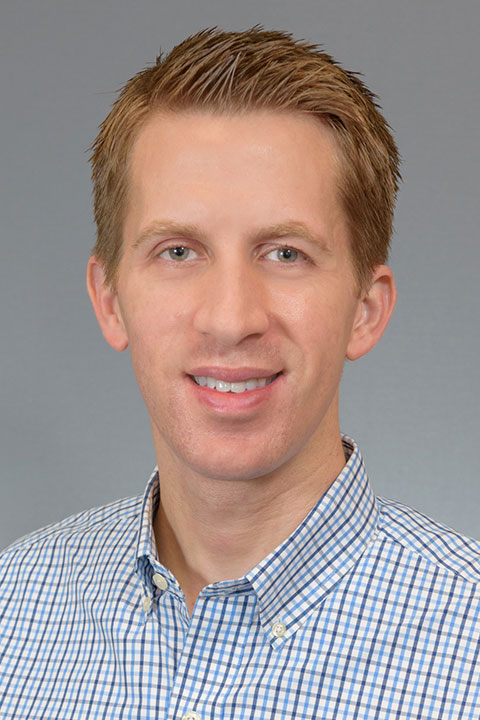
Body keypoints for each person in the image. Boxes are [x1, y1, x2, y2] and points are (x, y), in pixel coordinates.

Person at [1, 25, 479, 720]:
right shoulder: (13, 607)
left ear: (365, 310)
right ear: (110, 301)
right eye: (178, 252)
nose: (230, 319)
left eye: (285, 254)